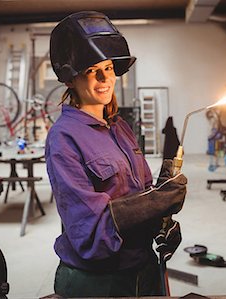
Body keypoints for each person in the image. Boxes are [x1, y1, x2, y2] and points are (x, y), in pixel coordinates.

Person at [46, 11, 188, 297]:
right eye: (90, 70)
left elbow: (141, 190)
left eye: (109, 68)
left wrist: (161, 223)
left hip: (144, 269)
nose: (104, 78)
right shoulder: (64, 139)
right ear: (70, 79)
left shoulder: (120, 128)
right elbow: (91, 234)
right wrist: (150, 205)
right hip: (98, 282)